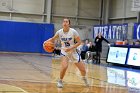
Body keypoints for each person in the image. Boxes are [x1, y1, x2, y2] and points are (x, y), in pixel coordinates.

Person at [44, 18, 89, 88]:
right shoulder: (59, 32)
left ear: (69, 24)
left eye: (66, 22)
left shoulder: (73, 32)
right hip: (64, 51)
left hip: (74, 51)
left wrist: (71, 48)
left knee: (83, 70)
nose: (65, 23)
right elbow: (52, 39)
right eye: (64, 22)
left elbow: (80, 42)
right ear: (62, 24)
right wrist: (46, 42)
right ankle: (60, 81)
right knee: (64, 66)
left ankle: (84, 78)